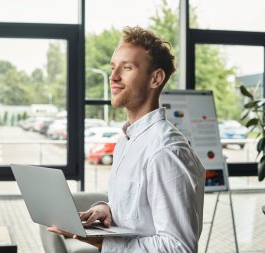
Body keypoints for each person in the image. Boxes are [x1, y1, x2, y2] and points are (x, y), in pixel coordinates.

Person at [48, 26, 205, 253]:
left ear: (156, 78)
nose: (113, 77)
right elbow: (140, 210)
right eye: (113, 68)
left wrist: (106, 243)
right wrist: (106, 210)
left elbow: (178, 247)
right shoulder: (126, 141)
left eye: (127, 68)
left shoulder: (166, 151)